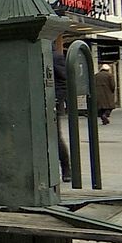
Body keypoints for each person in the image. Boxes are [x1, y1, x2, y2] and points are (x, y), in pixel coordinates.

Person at [53, 38, 72, 182]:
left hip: (51, 103)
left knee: (55, 137)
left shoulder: (55, 56)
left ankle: (66, 169)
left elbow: (63, 81)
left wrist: (57, 99)